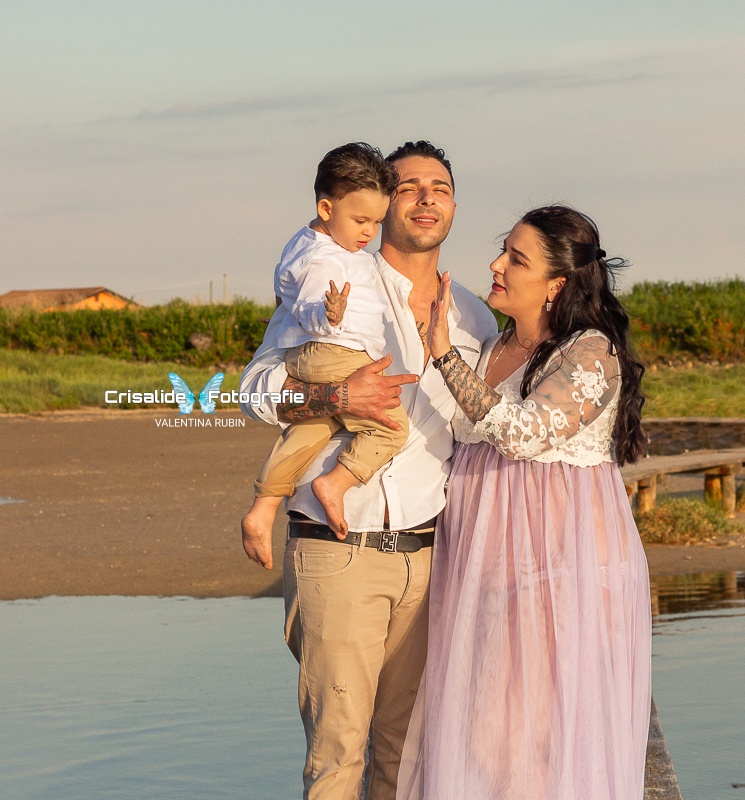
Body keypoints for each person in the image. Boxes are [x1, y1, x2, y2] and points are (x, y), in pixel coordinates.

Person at [239, 141, 497, 800]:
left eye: (439, 187)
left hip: (430, 556)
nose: (426, 198)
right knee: (337, 757)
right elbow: (254, 389)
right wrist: (335, 399)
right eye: (409, 186)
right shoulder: (336, 276)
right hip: (339, 550)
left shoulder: (475, 316)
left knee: (405, 757)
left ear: (454, 205)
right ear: (381, 205)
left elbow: (483, 430)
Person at [405, 205, 652, 799]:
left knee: (540, 732)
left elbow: (523, 432)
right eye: (503, 250)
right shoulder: (493, 349)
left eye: (516, 258)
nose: (496, 265)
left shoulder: (588, 352)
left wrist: (443, 355)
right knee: (483, 729)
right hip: (484, 561)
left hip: (558, 565)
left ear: (556, 283)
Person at [241, 142, 407, 551]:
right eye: (361, 220)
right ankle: (336, 482)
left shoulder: (319, 244)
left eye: (377, 221)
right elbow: (313, 306)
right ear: (327, 209)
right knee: (393, 427)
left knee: (311, 429)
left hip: (322, 355)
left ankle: (262, 507)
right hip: (335, 350)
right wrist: (327, 316)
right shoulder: (325, 258)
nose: (369, 232)